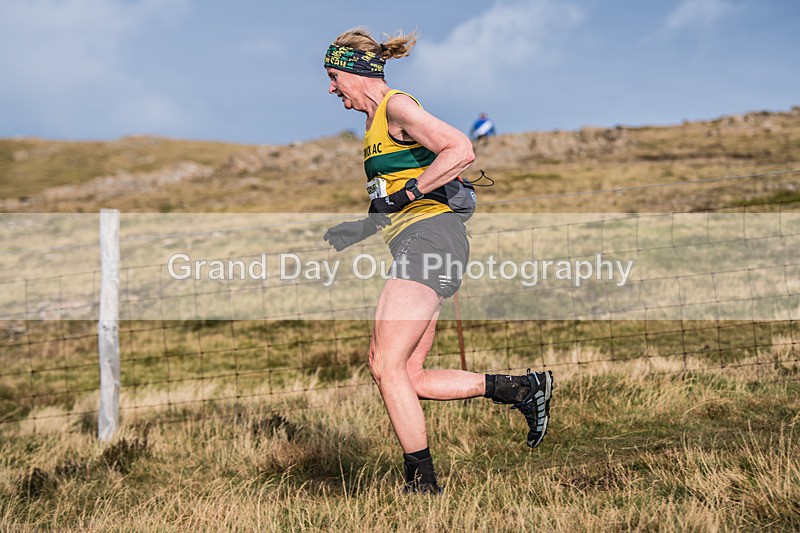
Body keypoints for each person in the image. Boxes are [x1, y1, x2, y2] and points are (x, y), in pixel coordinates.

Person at [322, 28, 554, 494]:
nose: (330, 89)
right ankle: (522, 389)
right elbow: (389, 199)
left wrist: (409, 193)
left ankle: (422, 485)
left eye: (333, 76)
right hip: (421, 240)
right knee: (409, 376)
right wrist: (362, 227)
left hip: (431, 239)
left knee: (383, 364)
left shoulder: (398, 108)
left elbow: (460, 149)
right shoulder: (373, 129)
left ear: (356, 71)